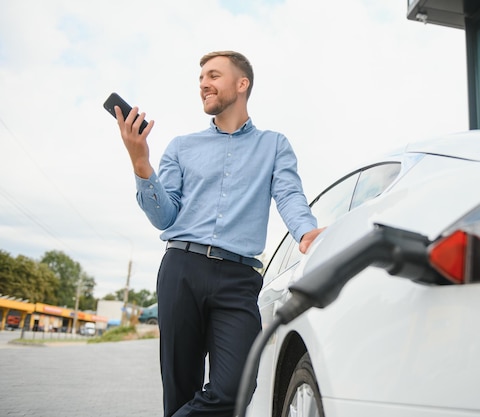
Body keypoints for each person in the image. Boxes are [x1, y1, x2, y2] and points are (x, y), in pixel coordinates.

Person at [114, 50, 323, 417]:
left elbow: (289, 195)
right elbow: (164, 216)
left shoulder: (274, 145)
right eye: (200, 79)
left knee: (234, 390)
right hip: (181, 268)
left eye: (213, 75)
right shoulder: (182, 147)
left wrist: (305, 232)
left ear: (242, 85)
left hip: (239, 279)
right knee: (179, 392)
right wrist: (141, 162)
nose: (203, 85)